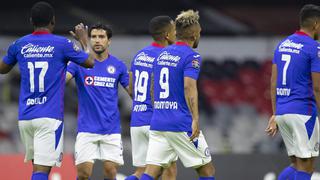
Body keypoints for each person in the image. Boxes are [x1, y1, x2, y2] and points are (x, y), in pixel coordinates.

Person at [0, 2, 94, 180]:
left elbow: (3, 69)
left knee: (37, 169)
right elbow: (89, 62)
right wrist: (83, 40)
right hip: (48, 117)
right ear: (53, 21)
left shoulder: (19, 44)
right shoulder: (62, 44)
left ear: (30, 21)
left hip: (26, 117)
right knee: (42, 172)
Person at [140, 10, 215, 180]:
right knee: (206, 170)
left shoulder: (161, 54)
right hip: (180, 123)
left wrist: (160, 109)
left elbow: (153, 87)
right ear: (195, 34)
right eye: (200, 32)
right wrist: (195, 118)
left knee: (151, 172)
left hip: (159, 122)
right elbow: (189, 86)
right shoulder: (191, 56)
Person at [66, 23, 130, 180]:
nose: (97, 40)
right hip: (86, 129)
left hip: (111, 130)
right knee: (83, 174)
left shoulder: (118, 65)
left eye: (101, 37)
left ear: (109, 41)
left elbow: (133, 92)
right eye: (93, 36)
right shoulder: (78, 63)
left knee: (110, 172)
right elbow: (62, 81)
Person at [266, 4, 320, 180]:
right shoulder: (314, 47)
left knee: (296, 164)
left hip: (282, 112)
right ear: (316, 25)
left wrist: (275, 114)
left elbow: (273, 83)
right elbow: (317, 87)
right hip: (303, 113)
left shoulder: (282, 44)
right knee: (306, 167)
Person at [126, 16, 177, 180]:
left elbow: (132, 89)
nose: (177, 33)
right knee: (169, 169)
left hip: (137, 120)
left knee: (142, 172)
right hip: (156, 121)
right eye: (174, 30)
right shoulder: (167, 56)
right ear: (167, 34)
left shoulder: (139, 55)